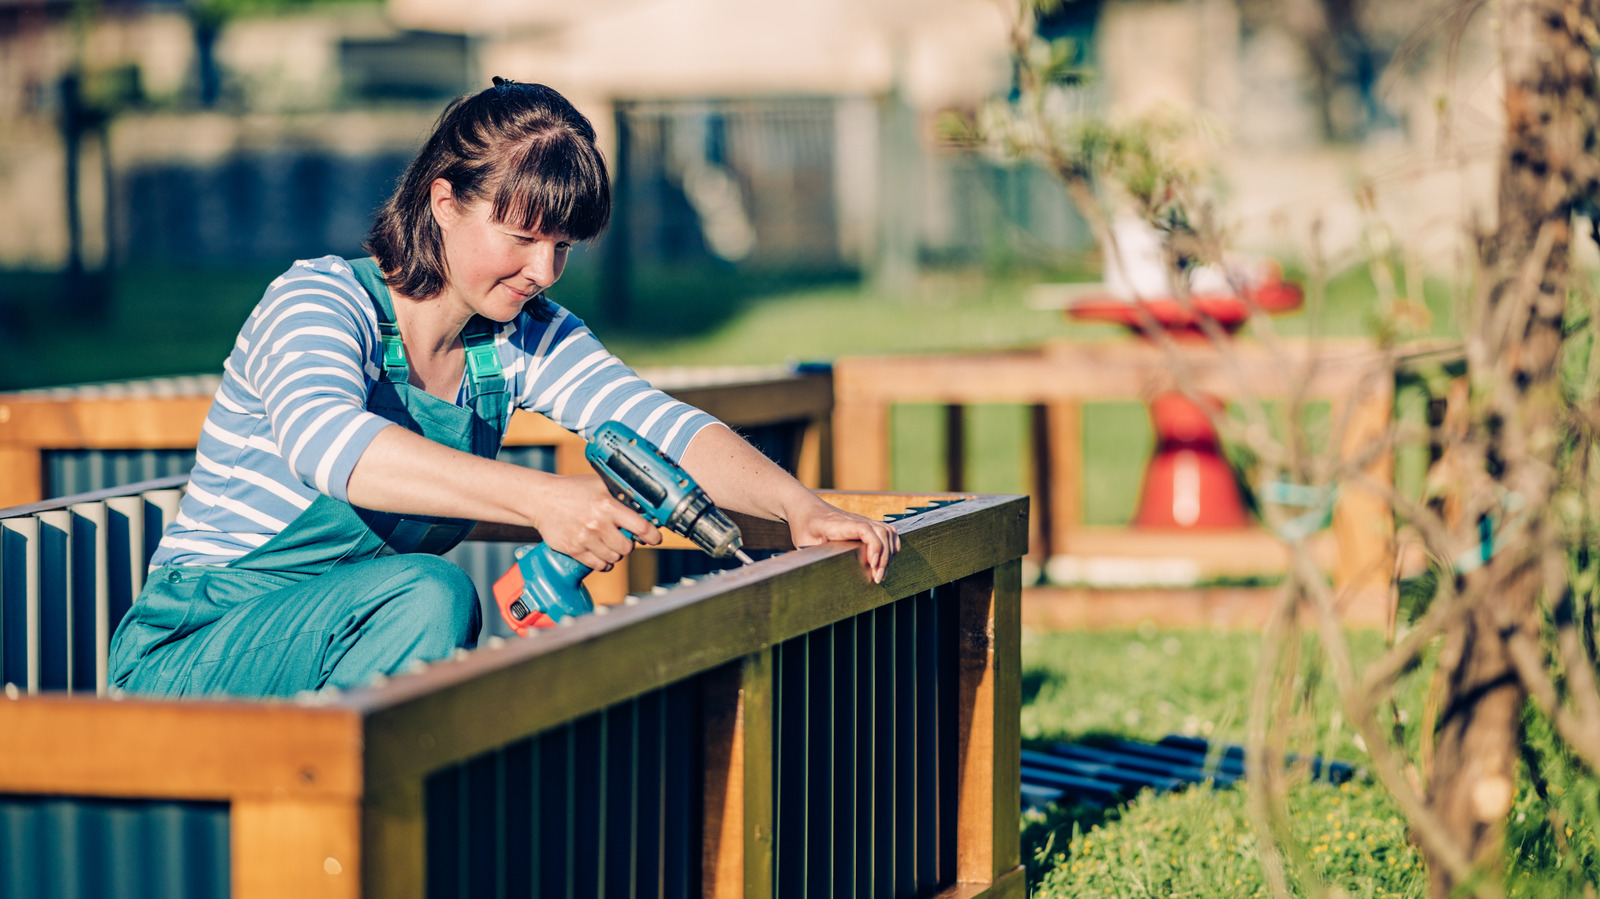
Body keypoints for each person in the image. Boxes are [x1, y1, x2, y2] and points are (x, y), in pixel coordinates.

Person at [107, 78, 899, 699]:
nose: (543, 271)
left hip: (349, 640)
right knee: (427, 595)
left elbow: (655, 422)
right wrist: (544, 500)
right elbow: (329, 444)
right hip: (193, 654)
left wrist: (800, 506)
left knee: (425, 602)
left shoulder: (522, 335)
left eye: (563, 246)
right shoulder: (317, 300)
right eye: (521, 237)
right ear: (443, 201)